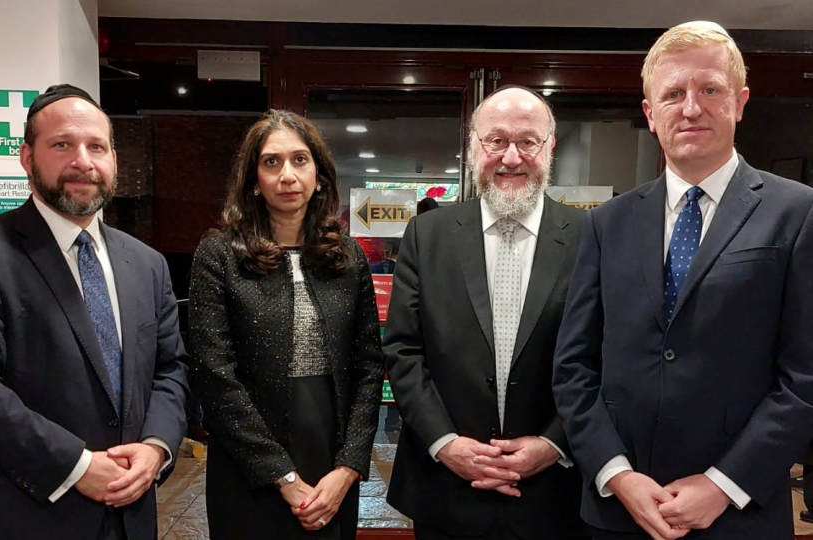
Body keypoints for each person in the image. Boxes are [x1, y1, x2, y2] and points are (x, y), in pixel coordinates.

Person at [552, 21, 813, 540]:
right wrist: (616, 473)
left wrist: (722, 484)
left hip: (739, 513)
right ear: (651, 114)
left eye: (710, 89)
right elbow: (573, 367)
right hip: (617, 513)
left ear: (739, 102)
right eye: (673, 94)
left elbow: (805, 376)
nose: (691, 108)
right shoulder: (608, 223)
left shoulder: (798, 213)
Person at [0, 84, 190, 540]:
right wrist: (77, 465)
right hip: (30, 515)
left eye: (97, 146)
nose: (83, 160)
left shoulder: (147, 265)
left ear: (114, 159)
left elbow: (170, 370)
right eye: (62, 145)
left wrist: (156, 449)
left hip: (133, 519)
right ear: (25, 157)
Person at [384, 85, 588, 540]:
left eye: (527, 141)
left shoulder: (590, 236)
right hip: (446, 488)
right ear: (473, 146)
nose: (510, 157)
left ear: (550, 146)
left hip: (554, 493)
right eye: (495, 141)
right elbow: (402, 351)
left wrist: (555, 443)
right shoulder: (427, 235)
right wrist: (445, 443)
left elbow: (605, 353)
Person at [189, 109, 383, 539]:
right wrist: (283, 477)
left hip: (330, 454)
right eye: (271, 162)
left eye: (300, 160)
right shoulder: (219, 254)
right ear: (253, 179)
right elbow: (213, 376)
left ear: (319, 173)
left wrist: (348, 467)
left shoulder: (347, 257)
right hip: (250, 463)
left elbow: (369, 368)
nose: (287, 175)